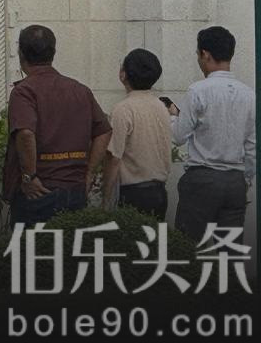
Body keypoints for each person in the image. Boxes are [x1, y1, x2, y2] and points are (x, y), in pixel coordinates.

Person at [1, 25, 111, 225]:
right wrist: (89, 173)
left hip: (39, 192)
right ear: (53, 52)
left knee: (34, 246)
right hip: (75, 190)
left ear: (21, 54)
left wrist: (29, 176)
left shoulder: (24, 91)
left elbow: (25, 133)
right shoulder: (80, 90)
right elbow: (103, 131)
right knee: (68, 245)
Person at [170, 26, 256, 243]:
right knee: (230, 251)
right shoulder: (249, 94)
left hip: (202, 179)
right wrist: (245, 179)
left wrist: (171, 117)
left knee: (186, 247)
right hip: (235, 181)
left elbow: (178, 136)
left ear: (205, 54)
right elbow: (252, 145)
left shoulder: (198, 91)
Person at [101, 49, 172, 218]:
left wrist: (105, 198)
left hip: (133, 194)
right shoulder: (161, 107)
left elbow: (114, 158)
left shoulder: (123, 109)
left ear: (123, 74)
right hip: (160, 192)